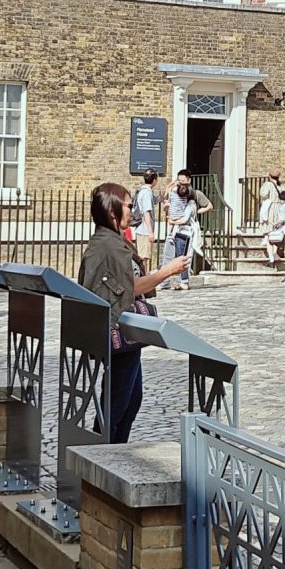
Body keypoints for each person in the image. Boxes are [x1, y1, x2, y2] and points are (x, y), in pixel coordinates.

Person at [79, 182, 188, 444]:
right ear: (112, 210)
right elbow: (129, 288)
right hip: (118, 332)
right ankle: (104, 456)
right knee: (116, 404)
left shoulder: (112, 242)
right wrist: (167, 271)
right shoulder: (109, 247)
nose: (133, 210)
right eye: (129, 205)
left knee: (130, 401)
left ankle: (115, 451)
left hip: (126, 331)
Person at [161, 170, 212, 291]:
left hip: (184, 229)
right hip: (173, 229)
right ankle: (164, 282)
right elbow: (165, 200)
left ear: (189, 180)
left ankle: (184, 281)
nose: (180, 184)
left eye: (183, 181)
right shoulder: (175, 193)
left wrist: (195, 214)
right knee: (168, 256)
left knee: (182, 256)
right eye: (179, 181)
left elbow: (209, 206)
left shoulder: (194, 194)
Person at [132, 170, 159, 267]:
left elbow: (157, 200)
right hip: (144, 230)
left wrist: (168, 188)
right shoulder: (146, 193)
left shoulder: (143, 191)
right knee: (144, 257)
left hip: (141, 228)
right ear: (155, 180)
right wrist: (150, 232)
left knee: (142, 256)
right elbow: (146, 213)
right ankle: (143, 279)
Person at [263, 189, 285, 269]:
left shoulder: (282, 207)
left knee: (270, 239)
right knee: (276, 240)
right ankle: (275, 254)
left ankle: (272, 258)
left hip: (284, 230)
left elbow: (282, 221)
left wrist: (275, 224)